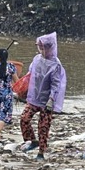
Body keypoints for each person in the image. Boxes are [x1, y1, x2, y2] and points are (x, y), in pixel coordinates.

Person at [19, 32, 66, 161]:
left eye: (44, 47)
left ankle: (41, 152)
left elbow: (56, 84)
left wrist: (51, 100)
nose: (42, 50)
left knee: (43, 127)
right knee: (24, 119)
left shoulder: (55, 64)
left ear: (51, 48)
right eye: (40, 47)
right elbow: (31, 75)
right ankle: (32, 140)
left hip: (47, 100)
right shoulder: (37, 59)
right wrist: (22, 90)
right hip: (34, 97)